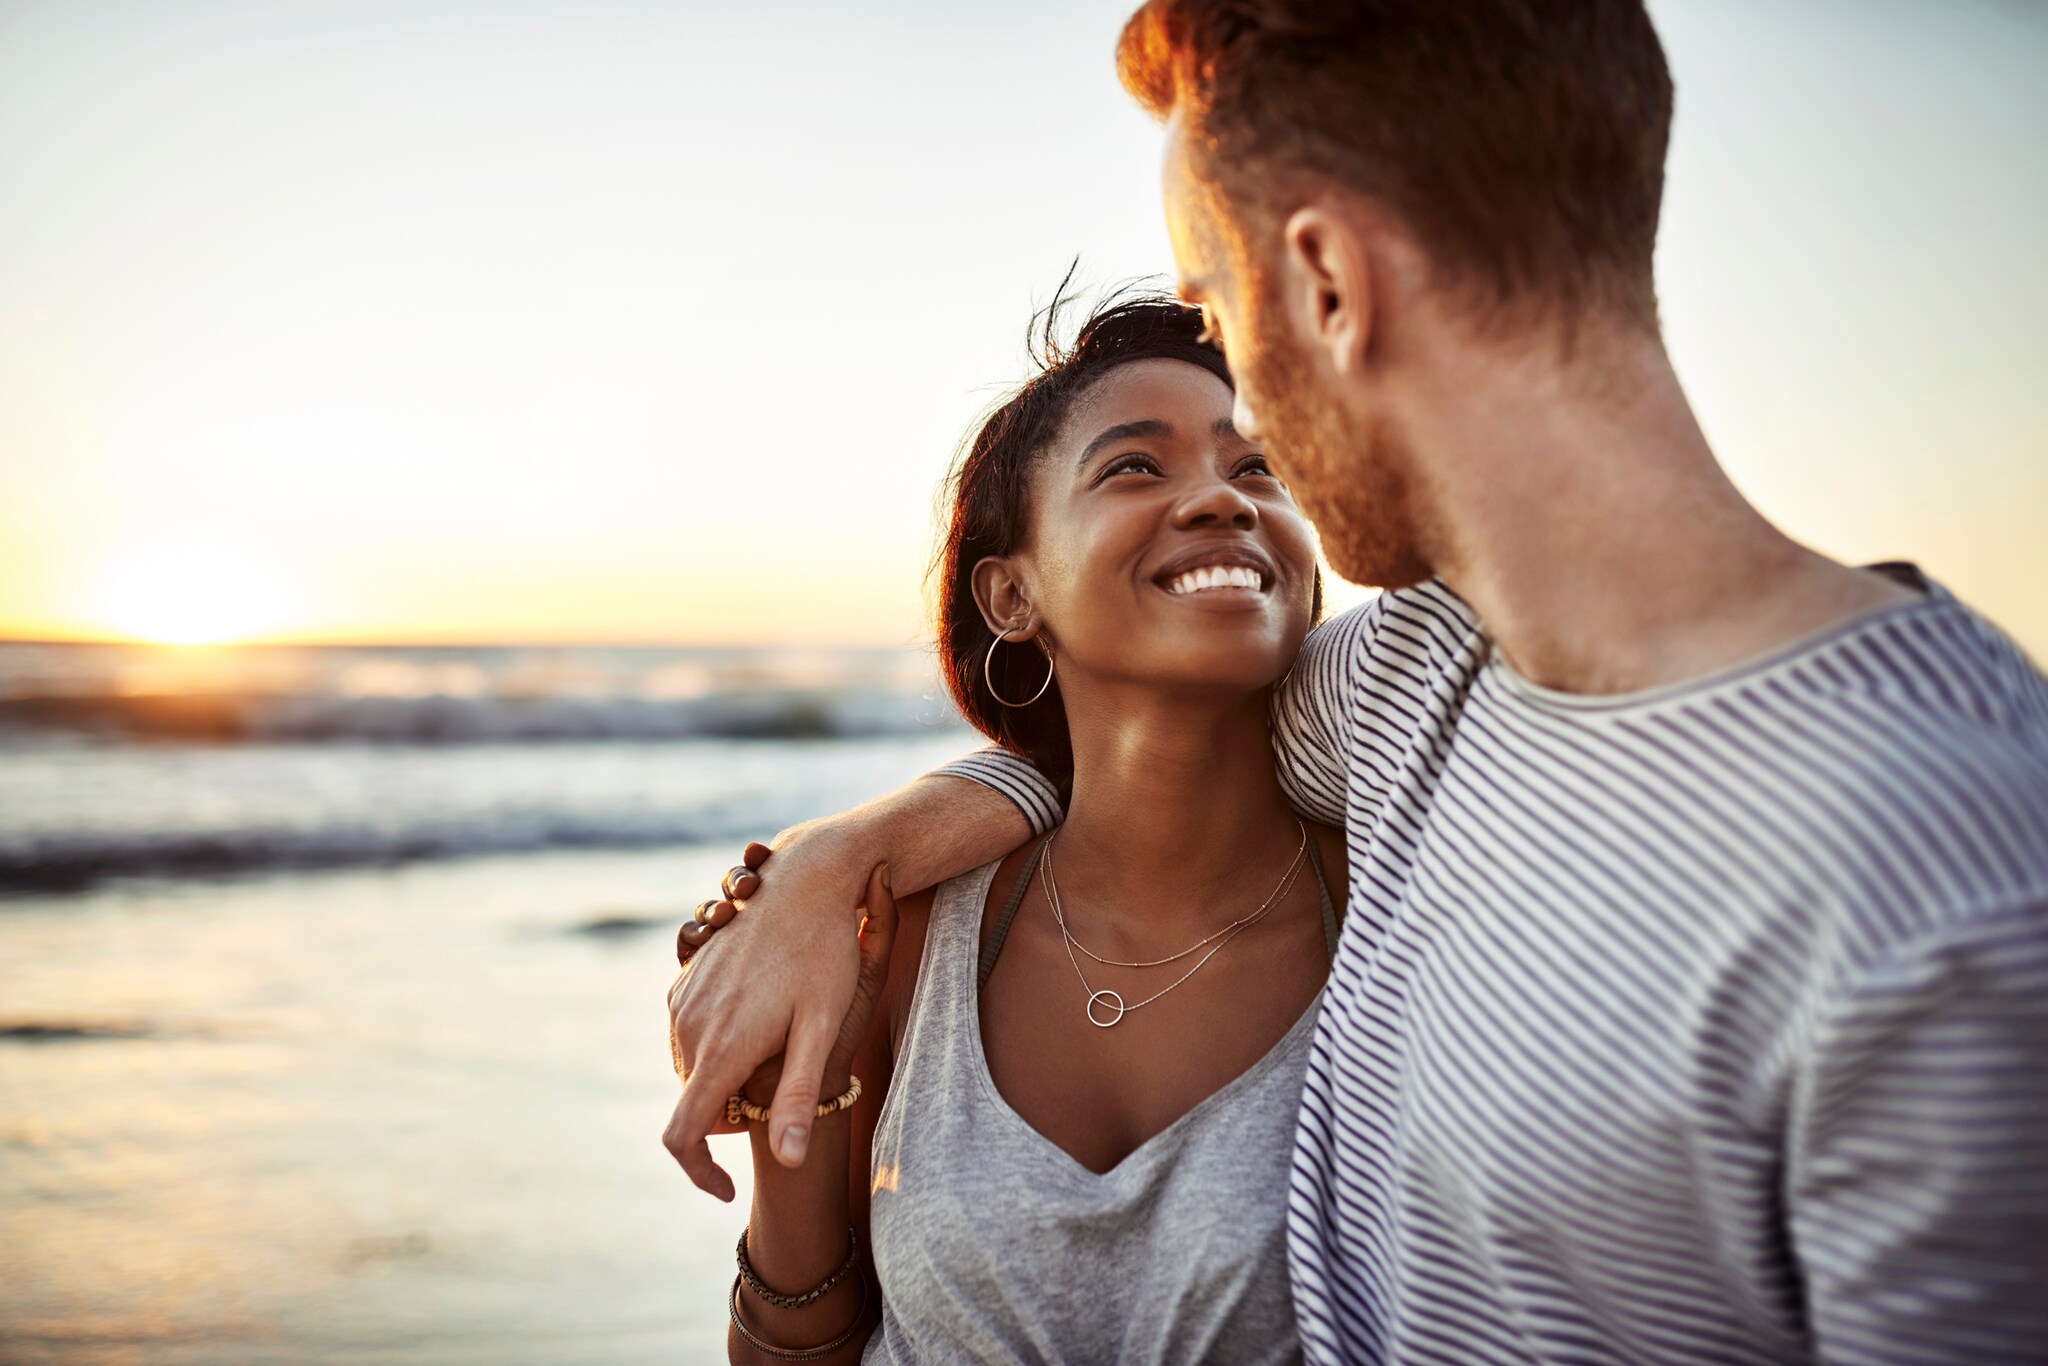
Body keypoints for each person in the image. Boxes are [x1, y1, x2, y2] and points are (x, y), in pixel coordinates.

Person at [669, 2, 2048, 1361]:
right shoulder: (1407, 683)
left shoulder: (1959, 886)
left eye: (1218, 306)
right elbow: (1110, 765)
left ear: (1327, 283)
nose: (1244, 435)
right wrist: (825, 868)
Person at [690, 290, 1349, 1362]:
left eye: (1256, 469)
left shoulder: (1394, 905)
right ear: (1010, 594)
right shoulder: (900, 932)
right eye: (1136, 466)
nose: (1220, 502)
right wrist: (789, 1117)